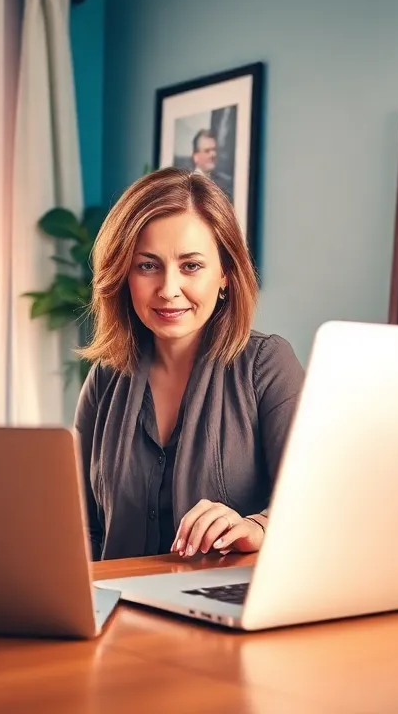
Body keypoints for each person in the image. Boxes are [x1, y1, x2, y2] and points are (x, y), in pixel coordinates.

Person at [75, 168, 305, 561]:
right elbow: (78, 522)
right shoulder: (105, 378)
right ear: (123, 276)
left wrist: (257, 526)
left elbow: (313, 502)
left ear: (225, 275)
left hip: (223, 609)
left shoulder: (267, 364)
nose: (168, 289)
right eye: (147, 265)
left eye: (191, 266)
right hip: (116, 608)